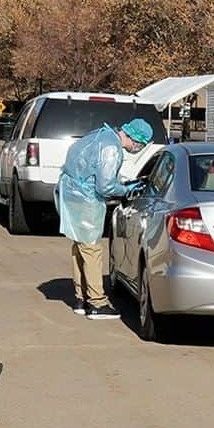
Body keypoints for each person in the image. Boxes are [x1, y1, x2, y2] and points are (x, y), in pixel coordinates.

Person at [54, 118, 153, 319]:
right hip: (86, 200)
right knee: (91, 249)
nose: (137, 149)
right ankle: (97, 302)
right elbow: (105, 187)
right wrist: (125, 189)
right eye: (140, 145)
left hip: (72, 195)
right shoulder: (111, 148)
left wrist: (123, 182)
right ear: (136, 140)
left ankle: (81, 298)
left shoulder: (101, 135)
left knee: (80, 247)